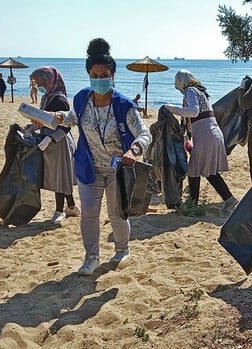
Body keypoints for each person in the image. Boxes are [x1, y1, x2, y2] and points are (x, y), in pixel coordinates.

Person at [53, 38, 152, 276]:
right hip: (90, 168)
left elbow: (144, 132)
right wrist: (55, 117)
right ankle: (92, 257)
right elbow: (71, 119)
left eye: (104, 75)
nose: (99, 80)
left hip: (119, 170)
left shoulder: (124, 105)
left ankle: (122, 250)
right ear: (89, 75)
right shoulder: (81, 100)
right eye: (94, 75)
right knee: (88, 214)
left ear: (113, 75)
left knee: (117, 214)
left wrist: (134, 150)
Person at [164, 70, 238, 210]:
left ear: (181, 82)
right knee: (207, 170)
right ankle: (228, 199)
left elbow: (193, 111)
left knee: (195, 169)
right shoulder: (200, 92)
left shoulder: (191, 91)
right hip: (211, 134)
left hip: (206, 135)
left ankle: (193, 202)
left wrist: (171, 108)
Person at [29, 66, 80, 224]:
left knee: (60, 176)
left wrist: (51, 139)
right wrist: (32, 126)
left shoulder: (59, 99)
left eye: (39, 82)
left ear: (48, 81)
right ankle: (71, 206)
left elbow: (66, 126)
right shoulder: (46, 97)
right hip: (48, 139)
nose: (38, 86)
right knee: (61, 176)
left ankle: (59, 211)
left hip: (60, 142)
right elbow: (44, 118)